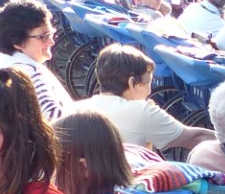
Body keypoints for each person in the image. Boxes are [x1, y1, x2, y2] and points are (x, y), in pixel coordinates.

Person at [75, 45, 209, 153]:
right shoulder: (140, 111)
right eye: (148, 83)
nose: (150, 91)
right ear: (132, 83)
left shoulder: (75, 109)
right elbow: (195, 138)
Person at [0, 0, 73, 119]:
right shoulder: (27, 72)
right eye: (43, 36)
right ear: (17, 42)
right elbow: (53, 118)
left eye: (51, 34)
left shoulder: (6, 62)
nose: (51, 41)